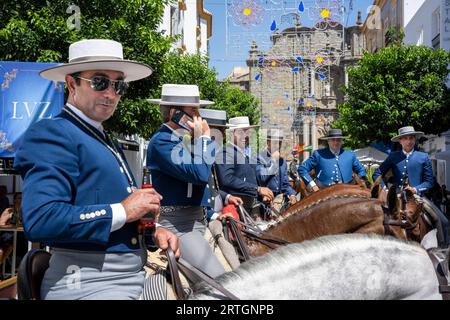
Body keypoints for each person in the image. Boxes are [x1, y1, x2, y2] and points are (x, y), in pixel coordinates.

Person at [13, 39, 179, 300]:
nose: (111, 94)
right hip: (88, 283)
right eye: (99, 82)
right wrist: (123, 211)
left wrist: (150, 229)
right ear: (71, 84)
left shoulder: (104, 138)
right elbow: (41, 219)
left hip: (132, 274)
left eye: (118, 85)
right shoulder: (53, 133)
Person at [146, 84, 226, 278]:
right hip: (177, 226)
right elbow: (198, 174)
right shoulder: (162, 141)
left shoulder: (184, 139)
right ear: (175, 113)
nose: (200, 117)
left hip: (199, 220)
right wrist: (204, 139)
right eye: (193, 111)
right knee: (221, 281)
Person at [215, 117, 274, 219]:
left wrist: (261, 195)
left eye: (247, 131)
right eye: (241, 131)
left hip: (250, 209)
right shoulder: (225, 153)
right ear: (232, 133)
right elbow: (227, 179)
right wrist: (258, 190)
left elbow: (252, 182)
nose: (246, 135)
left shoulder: (246, 156)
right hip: (235, 209)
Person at [198, 108, 243, 221]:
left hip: (218, 212)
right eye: (219, 131)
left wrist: (227, 197)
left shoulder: (210, 155)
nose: (222, 136)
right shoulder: (197, 156)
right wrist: (214, 216)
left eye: (222, 132)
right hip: (205, 219)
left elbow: (213, 189)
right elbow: (198, 195)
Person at [298, 128, 368, 192]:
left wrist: (358, 182)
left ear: (342, 141)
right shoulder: (318, 154)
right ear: (328, 141)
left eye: (338, 140)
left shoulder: (350, 155)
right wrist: (313, 185)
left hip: (346, 191)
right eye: (333, 139)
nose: (336, 142)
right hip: (323, 191)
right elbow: (302, 169)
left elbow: (362, 170)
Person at [373, 126, 434, 195]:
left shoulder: (423, 157)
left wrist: (415, 189)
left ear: (415, 139)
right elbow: (376, 174)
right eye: (405, 138)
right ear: (400, 141)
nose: (409, 141)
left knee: (432, 206)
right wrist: (385, 190)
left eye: (411, 138)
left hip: (417, 197)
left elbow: (429, 182)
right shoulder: (393, 156)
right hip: (396, 197)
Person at [257, 129, 297, 211]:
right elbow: (262, 178)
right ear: (268, 143)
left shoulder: (282, 162)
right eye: (275, 142)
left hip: (280, 200)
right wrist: (273, 162)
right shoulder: (260, 157)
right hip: (264, 200)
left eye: (279, 143)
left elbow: (285, 184)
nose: (278, 146)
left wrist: (292, 195)